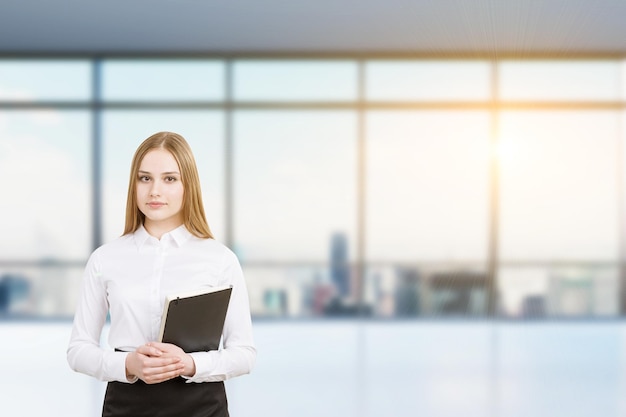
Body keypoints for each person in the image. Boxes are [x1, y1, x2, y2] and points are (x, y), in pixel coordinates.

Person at [67, 132, 256, 417]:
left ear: (187, 185)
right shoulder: (105, 259)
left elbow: (244, 354)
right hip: (126, 407)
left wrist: (188, 364)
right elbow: (78, 351)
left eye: (169, 179)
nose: (155, 191)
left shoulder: (220, 259)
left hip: (203, 407)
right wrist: (128, 364)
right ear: (134, 185)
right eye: (145, 178)